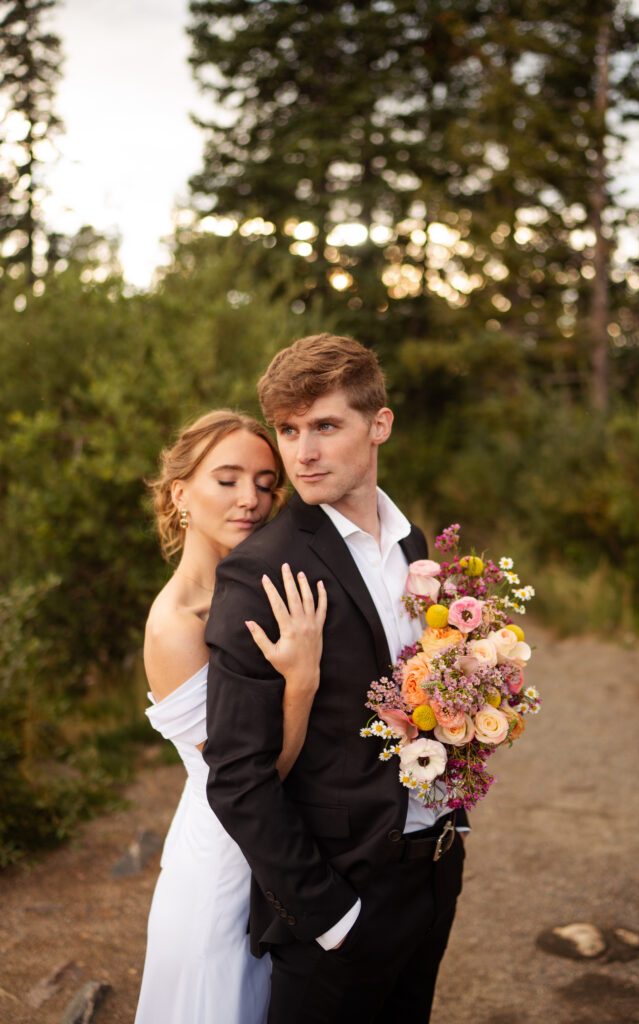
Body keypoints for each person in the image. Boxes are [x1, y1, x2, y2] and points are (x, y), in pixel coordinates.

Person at [203, 335, 469, 1024]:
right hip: (340, 895)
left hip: (433, 865)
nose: (302, 453)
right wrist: (328, 916)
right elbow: (236, 774)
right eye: (289, 430)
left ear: (378, 424)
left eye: (324, 425)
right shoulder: (260, 570)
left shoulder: (414, 544)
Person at [135, 410, 327, 1024]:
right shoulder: (175, 626)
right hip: (224, 862)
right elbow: (248, 775)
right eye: (228, 479)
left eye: (267, 482)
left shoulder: (252, 588)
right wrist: (301, 681)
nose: (252, 499)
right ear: (180, 493)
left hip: (280, 846)